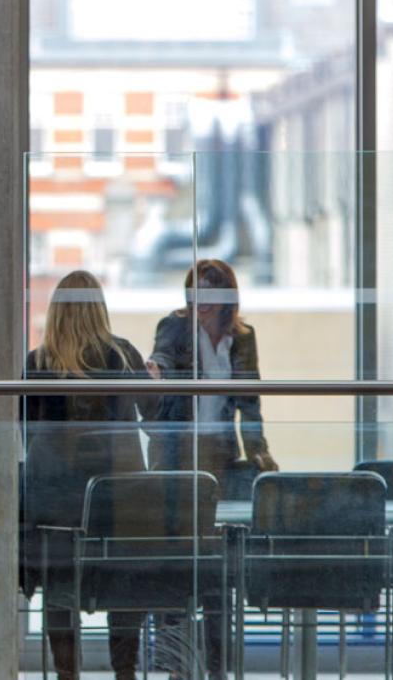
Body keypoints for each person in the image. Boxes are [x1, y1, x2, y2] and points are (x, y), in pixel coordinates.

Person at [146, 258, 274, 680]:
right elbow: (162, 356)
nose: (200, 303)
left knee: (217, 567)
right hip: (178, 456)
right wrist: (157, 371)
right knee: (177, 563)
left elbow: (249, 400)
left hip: (220, 453)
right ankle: (176, 665)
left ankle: (217, 668)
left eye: (209, 295)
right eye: (194, 293)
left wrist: (258, 451)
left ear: (226, 299)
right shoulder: (176, 326)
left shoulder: (243, 338)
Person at [22, 270, 152, 680]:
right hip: (121, 498)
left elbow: (26, 430)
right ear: (100, 309)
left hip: (55, 503)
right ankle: (125, 671)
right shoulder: (124, 356)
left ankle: (66, 674)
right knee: (123, 584)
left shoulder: (37, 363)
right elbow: (154, 415)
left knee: (59, 588)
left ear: (56, 312)